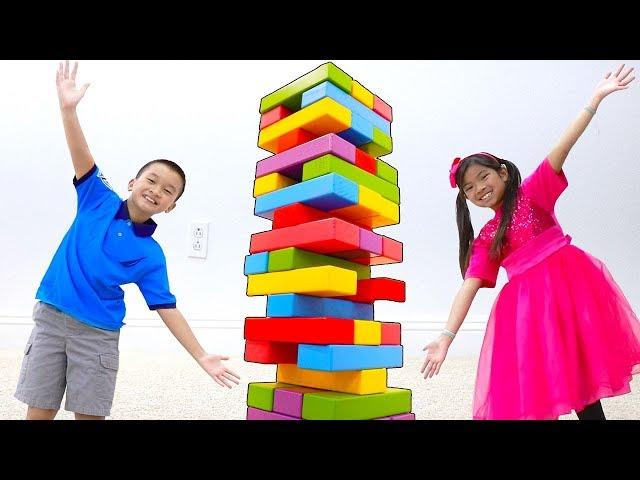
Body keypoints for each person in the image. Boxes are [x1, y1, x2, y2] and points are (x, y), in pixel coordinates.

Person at [14, 61, 240, 420]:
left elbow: (167, 306)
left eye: (168, 191)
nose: (156, 191)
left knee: (90, 415)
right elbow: (81, 153)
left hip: (98, 335)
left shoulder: (150, 254)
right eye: (151, 180)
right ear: (133, 183)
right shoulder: (96, 198)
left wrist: (200, 354)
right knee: (39, 411)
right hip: (51, 320)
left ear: (170, 207)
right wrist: (68, 109)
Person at [421, 64, 640, 420]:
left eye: (484, 177)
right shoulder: (487, 239)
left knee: (580, 373)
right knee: (541, 387)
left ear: (503, 172)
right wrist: (446, 337)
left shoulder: (534, 193)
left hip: (569, 293)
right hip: (529, 314)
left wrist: (595, 99)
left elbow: (563, 145)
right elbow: (468, 288)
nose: (480, 189)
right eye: (470, 188)